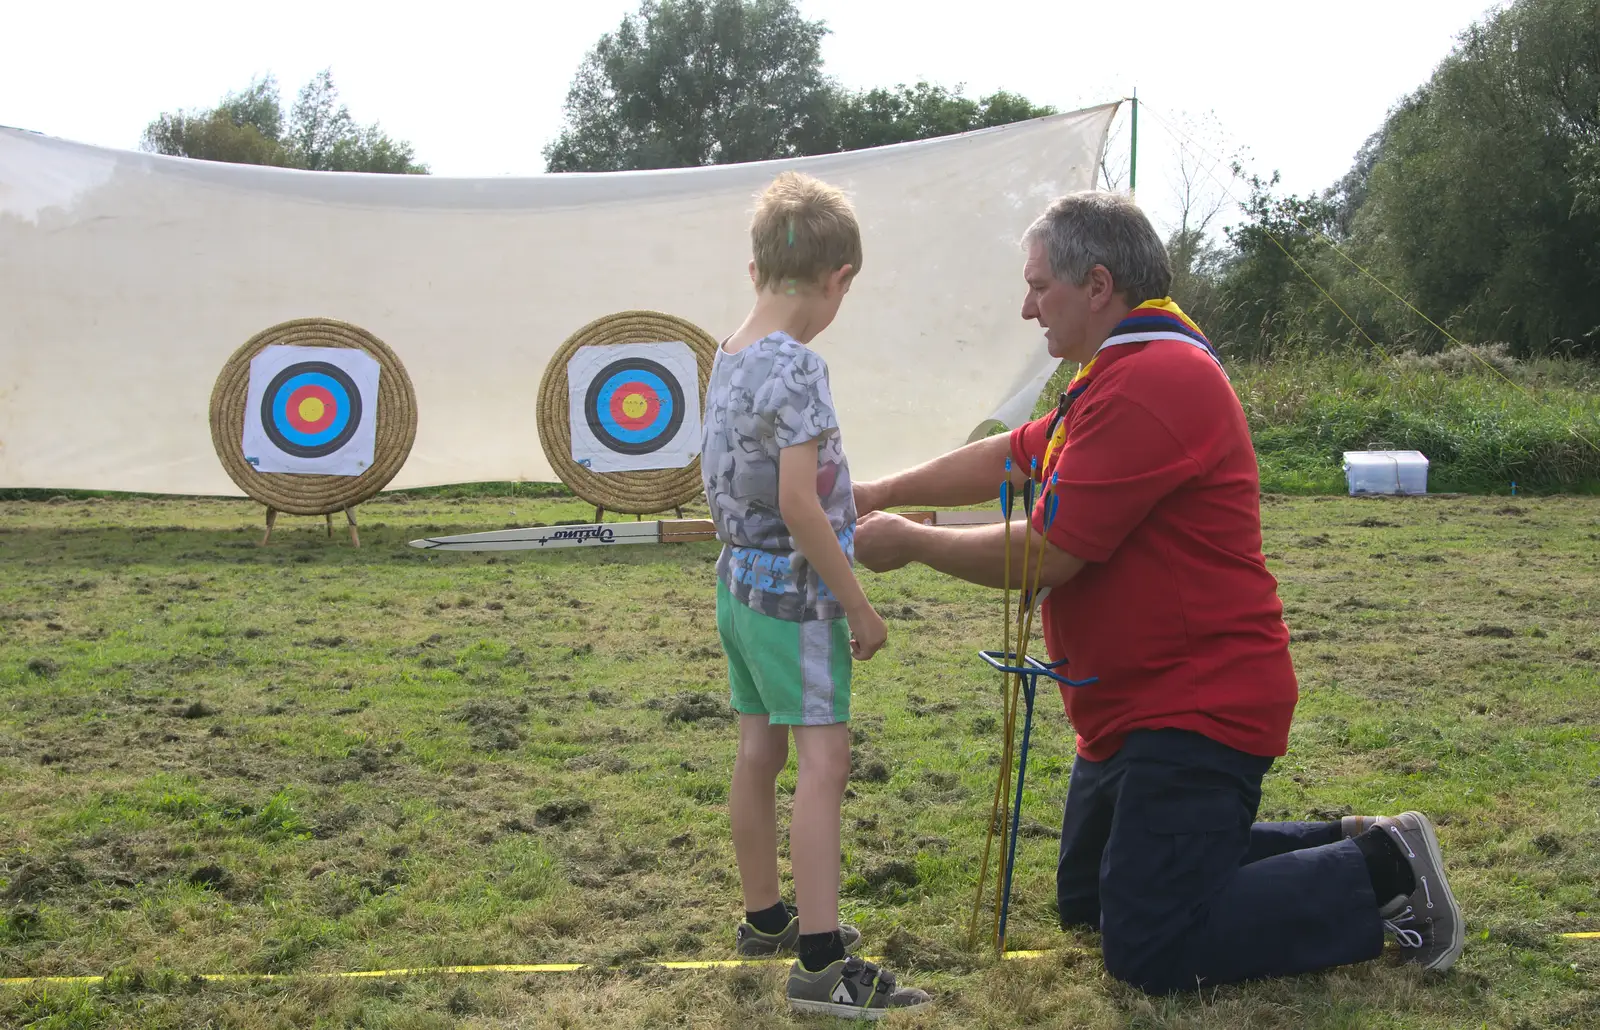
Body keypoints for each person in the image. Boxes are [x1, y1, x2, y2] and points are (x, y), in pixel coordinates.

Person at [850, 190, 1464, 994]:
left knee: (1150, 945)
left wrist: (912, 544)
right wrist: (874, 493)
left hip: (1194, 707)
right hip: (1131, 707)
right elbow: (1016, 454)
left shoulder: (1154, 379)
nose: (1027, 307)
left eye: (1040, 286)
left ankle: (1381, 871)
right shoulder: (1116, 372)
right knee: (1089, 905)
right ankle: (1354, 842)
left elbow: (1051, 553)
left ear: (1097, 285)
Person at [699, 170, 933, 1019]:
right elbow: (800, 504)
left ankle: (767, 917)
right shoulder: (799, 366)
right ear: (838, 281)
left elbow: (761, 486)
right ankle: (821, 966)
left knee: (760, 754)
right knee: (824, 766)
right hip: (795, 602)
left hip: (736, 590)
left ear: (756, 268)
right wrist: (860, 606)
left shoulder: (726, 354)